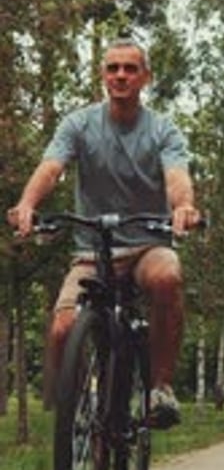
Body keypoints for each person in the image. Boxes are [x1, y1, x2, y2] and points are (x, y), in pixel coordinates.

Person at [8, 39, 200, 428]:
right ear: (102, 76)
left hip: (147, 244)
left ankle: (161, 387)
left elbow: (177, 176)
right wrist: (28, 204)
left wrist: (182, 206)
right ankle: (76, 410)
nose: (121, 76)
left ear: (145, 77)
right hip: (93, 251)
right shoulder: (79, 124)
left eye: (130, 69)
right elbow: (51, 167)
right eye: (113, 68)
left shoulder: (163, 130)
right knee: (63, 328)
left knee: (167, 276)